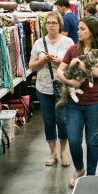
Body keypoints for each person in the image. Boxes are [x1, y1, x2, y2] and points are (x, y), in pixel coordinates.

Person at [56, 16, 98, 188]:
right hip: (74, 103)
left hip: (95, 101)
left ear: (92, 31)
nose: (78, 31)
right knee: (73, 140)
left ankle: (91, 176)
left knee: (92, 142)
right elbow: (60, 70)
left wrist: (80, 64)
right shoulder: (73, 49)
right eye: (78, 28)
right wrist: (70, 82)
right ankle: (79, 169)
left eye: (82, 29)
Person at [29, 11, 74, 168]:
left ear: (60, 24)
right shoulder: (39, 43)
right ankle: (53, 153)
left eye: (54, 23)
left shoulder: (68, 42)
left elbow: (75, 63)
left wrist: (61, 61)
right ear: (45, 25)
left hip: (62, 86)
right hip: (44, 86)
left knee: (62, 120)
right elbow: (31, 66)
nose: (51, 26)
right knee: (48, 121)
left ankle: (63, 151)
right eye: (48, 23)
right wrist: (43, 60)